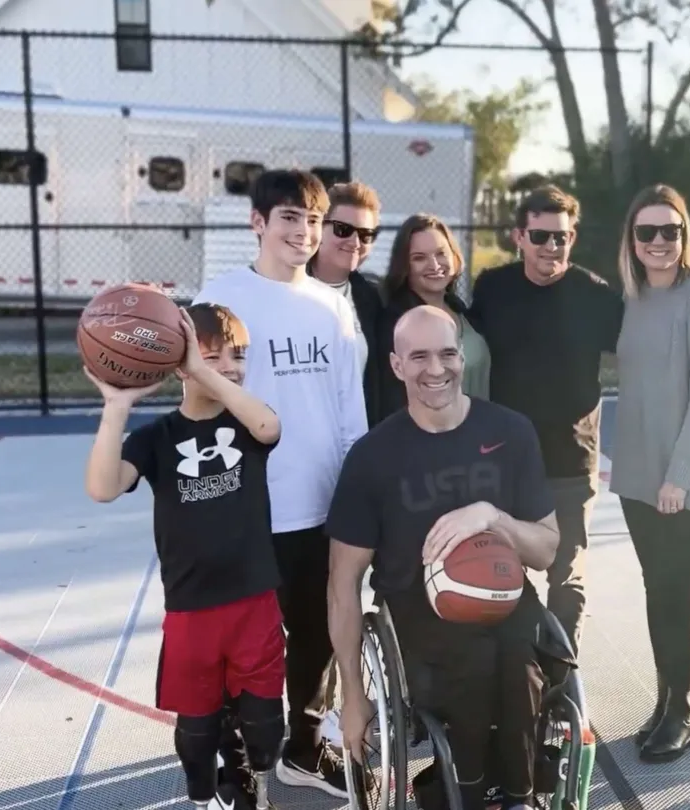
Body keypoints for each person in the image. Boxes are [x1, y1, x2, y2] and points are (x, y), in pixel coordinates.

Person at [327, 305, 560, 810]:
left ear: (463, 356)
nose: (436, 369)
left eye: (448, 353)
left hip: (503, 590)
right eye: (419, 356)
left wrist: (491, 516)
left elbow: (545, 549)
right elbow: (343, 583)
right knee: (471, 661)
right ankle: (469, 796)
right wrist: (352, 693)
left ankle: (520, 798)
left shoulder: (511, 432)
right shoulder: (372, 457)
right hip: (415, 608)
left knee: (521, 665)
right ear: (395, 366)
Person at [192, 168, 365, 797]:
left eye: (314, 220)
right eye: (290, 218)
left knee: (318, 632)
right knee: (242, 641)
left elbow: (349, 408)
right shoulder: (222, 297)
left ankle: (302, 747)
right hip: (248, 504)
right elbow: (200, 397)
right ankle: (235, 756)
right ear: (258, 222)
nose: (305, 231)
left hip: (320, 506)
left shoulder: (332, 304)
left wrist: (358, 482)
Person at [83, 304, 285, 810]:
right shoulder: (158, 437)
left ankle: (254, 779)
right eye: (212, 355)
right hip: (192, 607)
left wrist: (205, 370)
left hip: (253, 600)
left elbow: (268, 428)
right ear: (178, 364)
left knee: (264, 727)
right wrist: (116, 406)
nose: (229, 366)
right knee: (195, 735)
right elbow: (103, 488)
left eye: (236, 355)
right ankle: (207, 794)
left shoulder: (245, 421)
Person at [608, 185, 690, 763]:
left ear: (684, 236)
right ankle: (662, 704)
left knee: (674, 594)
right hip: (638, 475)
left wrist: (679, 475)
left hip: (684, 478)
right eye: (647, 232)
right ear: (631, 240)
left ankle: (680, 713)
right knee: (657, 592)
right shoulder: (632, 297)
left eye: (671, 231)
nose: (659, 242)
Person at [467, 185, 623, 651]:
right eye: (540, 236)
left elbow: (648, 349)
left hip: (570, 462)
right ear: (519, 236)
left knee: (566, 577)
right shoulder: (492, 288)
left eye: (562, 237)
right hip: (503, 461)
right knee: (505, 571)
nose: (551, 247)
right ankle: (520, 675)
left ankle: (561, 683)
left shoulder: (595, 295)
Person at [374, 213, 490, 420]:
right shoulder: (397, 325)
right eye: (419, 258)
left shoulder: (464, 312)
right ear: (404, 266)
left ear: (454, 256)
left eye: (441, 254)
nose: (435, 265)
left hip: (482, 436)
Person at [308, 181, 386, 427]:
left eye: (366, 235)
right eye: (343, 229)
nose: (355, 242)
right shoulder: (286, 292)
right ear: (319, 227)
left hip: (357, 443)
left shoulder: (374, 301)